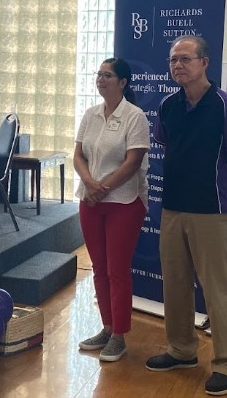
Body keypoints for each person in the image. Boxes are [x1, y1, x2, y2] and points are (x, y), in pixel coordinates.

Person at [145, 35, 227, 396]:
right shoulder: (168, 106)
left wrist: (221, 190)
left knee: (218, 291)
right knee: (174, 284)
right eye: (173, 60)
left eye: (186, 59)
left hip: (212, 212)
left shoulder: (226, 106)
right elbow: (168, 149)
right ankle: (181, 350)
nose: (178, 66)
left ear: (205, 62)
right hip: (173, 209)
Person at [74, 58, 150, 362]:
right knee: (98, 268)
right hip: (90, 202)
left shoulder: (135, 116)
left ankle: (119, 335)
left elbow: (133, 162)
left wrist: (101, 187)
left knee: (117, 270)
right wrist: (91, 184)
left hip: (123, 202)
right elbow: (78, 155)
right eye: (99, 75)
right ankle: (106, 327)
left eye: (108, 75)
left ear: (123, 83)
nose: (100, 79)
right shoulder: (91, 115)